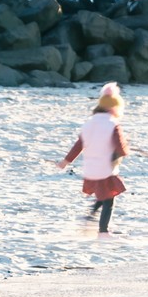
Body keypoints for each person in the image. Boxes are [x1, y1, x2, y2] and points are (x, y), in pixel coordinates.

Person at [57, 82, 130, 235]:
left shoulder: (89, 123)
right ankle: (103, 231)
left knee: (103, 193)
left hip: (90, 168)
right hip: (105, 168)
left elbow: (79, 145)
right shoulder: (113, 124)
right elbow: (121, 149)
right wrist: (124, 149)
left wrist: (66, 161)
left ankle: (91, 216)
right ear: (115, 108)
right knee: (109, 199)